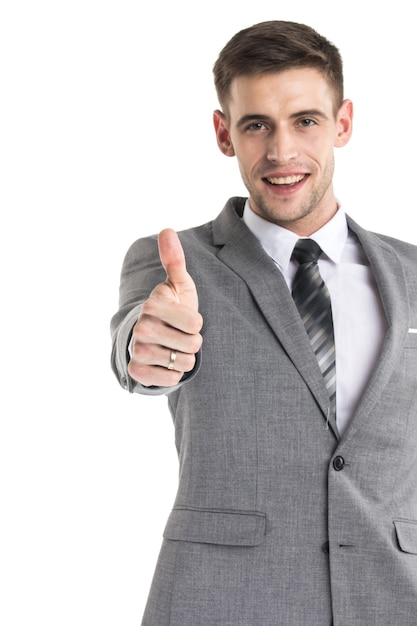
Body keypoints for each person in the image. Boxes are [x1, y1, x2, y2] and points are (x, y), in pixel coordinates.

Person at [110, 20, 417, 626]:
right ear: (224, 134)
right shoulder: (176, 264)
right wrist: (150, 351)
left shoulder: (412, 271)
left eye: (305, 120)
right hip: (224, 599)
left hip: (394, 593)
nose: (282, 152)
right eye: (257, 125)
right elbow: (140, 354)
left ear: (343, 123)